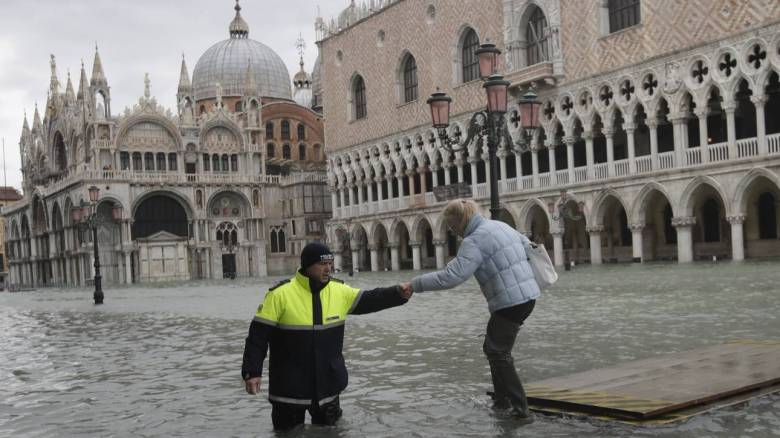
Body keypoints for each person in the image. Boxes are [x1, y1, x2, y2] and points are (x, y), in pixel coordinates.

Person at [242, 242, 413, 432]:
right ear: (307, 265)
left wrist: (398, 294)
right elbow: (257, 336)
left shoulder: (340, 291)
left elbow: (371, 299)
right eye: (322, 264)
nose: (328, 268)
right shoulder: (280, 294)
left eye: (330, 263)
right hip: (289, 388)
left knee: (332, 433)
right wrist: (252, 372)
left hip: (328, 386)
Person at [403, 199, 540, 424]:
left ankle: (520, 410)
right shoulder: (500, 225)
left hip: (510, 301)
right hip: (528, 296)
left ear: (458, 222)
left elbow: (451, 276)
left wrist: (415, 284)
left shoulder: (474, 240)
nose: (451, 231)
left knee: (499, 352)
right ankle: (501, 400)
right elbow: (528, 247)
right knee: (492, 347)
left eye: (450, 226)